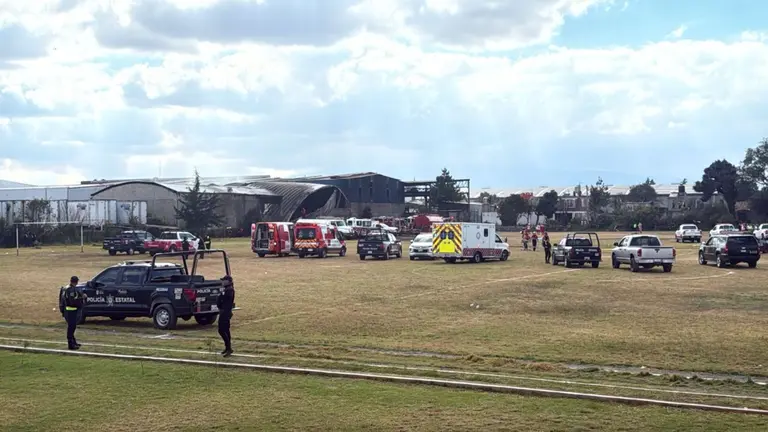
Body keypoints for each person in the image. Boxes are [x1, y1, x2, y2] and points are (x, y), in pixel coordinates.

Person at [62, 276, 86, 350]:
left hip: (70, 310)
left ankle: (73, 342)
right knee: (71, 327)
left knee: (72, 327)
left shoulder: (68, 288)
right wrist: (82, 298)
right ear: (76, 281)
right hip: (71, 310)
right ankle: (71, 344)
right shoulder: (70, 289)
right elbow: (72, 301)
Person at [217, 276, 236, 357]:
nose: (223, 282)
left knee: (222, 330)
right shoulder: (227, 289)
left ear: (228, 281)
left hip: (225, 312)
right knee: (225, 330)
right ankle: (228, 347)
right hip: (224, 311)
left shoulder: (229, 290)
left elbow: (225, 300)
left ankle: (228, 348)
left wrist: (221, 295)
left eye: (224, 280)